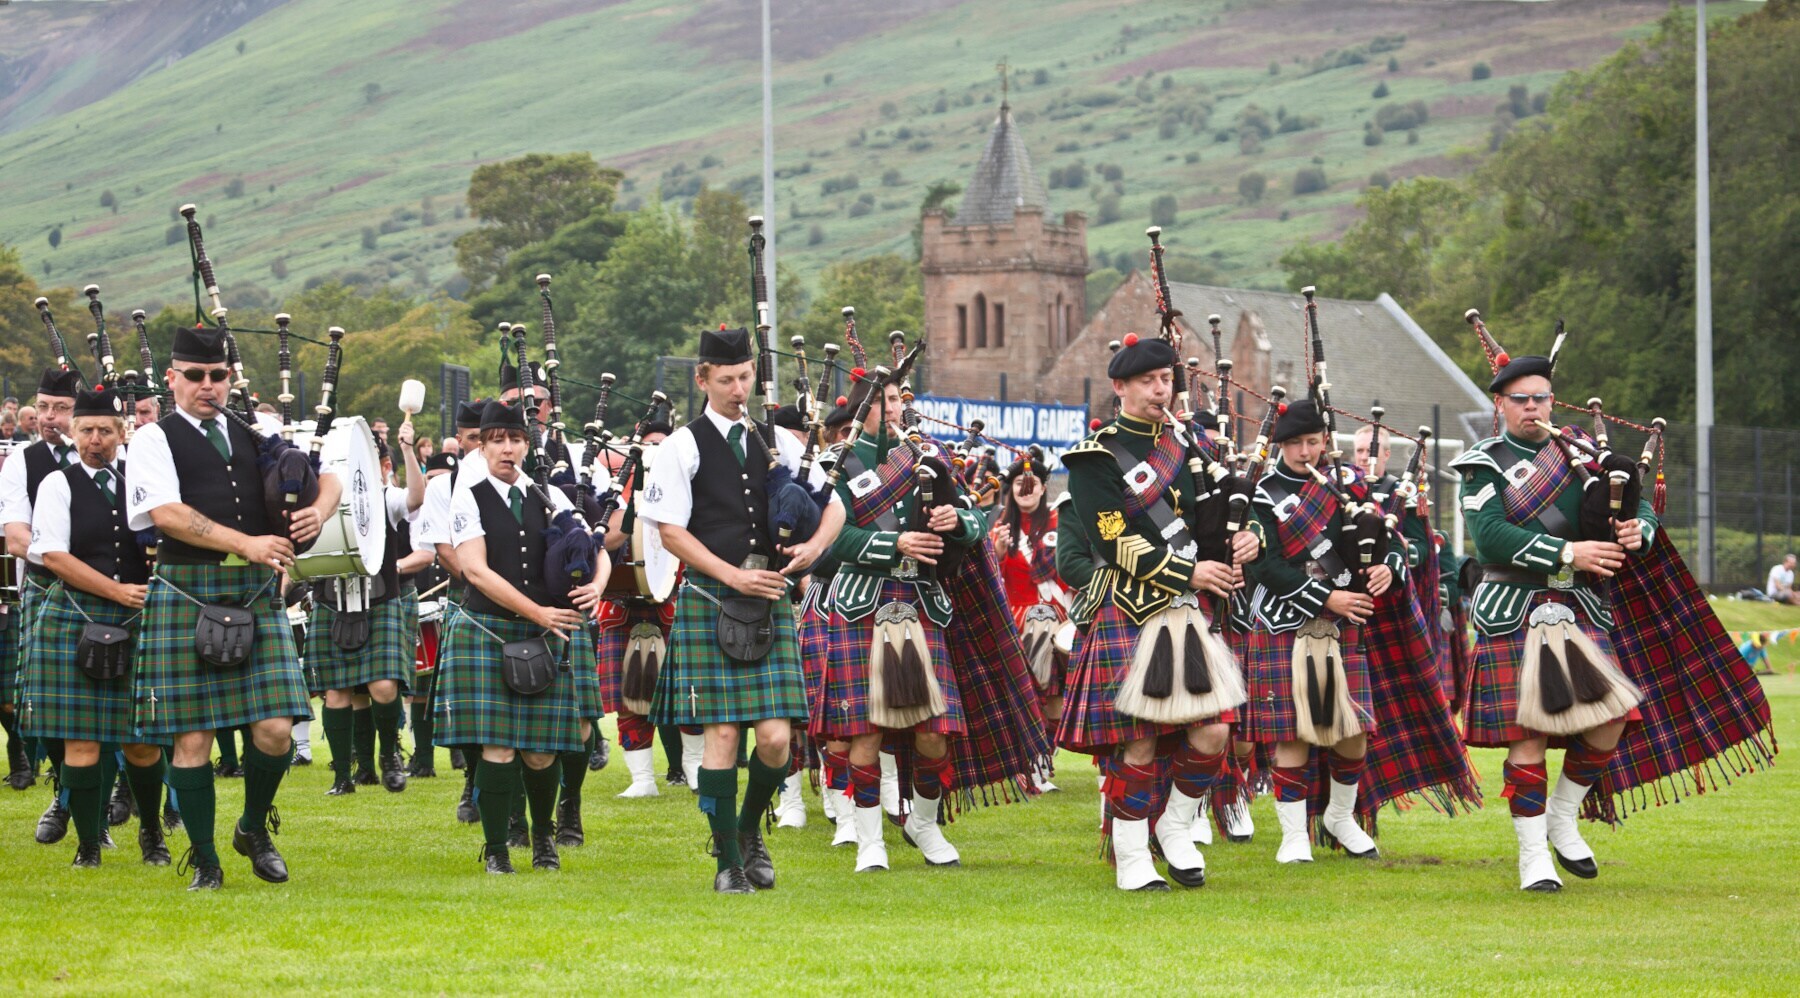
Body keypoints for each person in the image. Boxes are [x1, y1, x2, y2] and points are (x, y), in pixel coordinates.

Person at [126, 324, 340, 890]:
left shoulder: (256, 431)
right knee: (192, 737)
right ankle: (204, 858)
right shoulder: (153, 438)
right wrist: (246, 543)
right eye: (194, 376)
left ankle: (251, 828)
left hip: (252, 593)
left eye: (217, 376)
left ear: (228, 379)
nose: (207, 385)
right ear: (172, 379)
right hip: (185, 592)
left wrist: (320, 509)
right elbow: (167, 514)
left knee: (273, 729)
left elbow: (334, 476)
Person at [637, 325, 843, 894]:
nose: (738, 389)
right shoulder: (682, 445)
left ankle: (749, 831)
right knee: (724, 736)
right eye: (726, 379)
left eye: (746, 377)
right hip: (713, 597)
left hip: (771, 601)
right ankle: (728, 862)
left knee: (776, 739)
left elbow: (836, 506)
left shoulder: (781, 441)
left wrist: (814, 547)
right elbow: (669, 532)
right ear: (703, 379)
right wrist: (733, 575)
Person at [1057, 335, 1256, 891]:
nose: (1159, 390)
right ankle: (1130, 854)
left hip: (1189, 612)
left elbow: (1241, 507)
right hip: (1132, 605)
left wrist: (1249, 541)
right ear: (1119, 388)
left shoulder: (1194, 447)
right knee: (1139, 739)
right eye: (1147, 381)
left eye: (1166, 380)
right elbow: (1114, 542)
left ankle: (1173, 826)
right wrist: (1188, 573)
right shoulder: (1096, 458)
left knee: (1213, 733)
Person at [438, 400, 607, 874]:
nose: (507, 449)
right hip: (488, 630)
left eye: (514, 440)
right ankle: (495, 849)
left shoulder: (550, 494)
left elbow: (591, 545)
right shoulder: (468, 495)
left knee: (540, 751)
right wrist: (538, 612)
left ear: (525, 444)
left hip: (543, 631)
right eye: (497, 441)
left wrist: (596, 583)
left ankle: (543, 839)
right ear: (483, 446)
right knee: (498, 746)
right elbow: (473, 568)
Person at [1241, 398, 1407, 867]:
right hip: (1282, 619)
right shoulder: (1262, 492)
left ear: (1326, 442)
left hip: (1341, 624)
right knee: (1291, 731)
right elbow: (1264, 566)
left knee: (1352, 727)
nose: (1305, 452)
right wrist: (1324, 598)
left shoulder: (1350, 485)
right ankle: (1293, 836)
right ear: (1280, 445)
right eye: (1294, 443)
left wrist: (1387, 570)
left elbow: (1392, 538)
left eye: (1313, 442)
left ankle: (1339, 817)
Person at [16, 385, 170, 868]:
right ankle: (88, 845)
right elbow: (55, 556)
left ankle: (151, 832)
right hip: (76, 617)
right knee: (80, 742)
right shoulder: (57, 485)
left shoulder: (143, 487)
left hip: (140, 619)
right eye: (86, 430)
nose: (94, 439)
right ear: (73, 433)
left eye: (105, 430)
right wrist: (117, 590)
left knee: (141, 743)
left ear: (122, 435)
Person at [311, 426, 427, 797]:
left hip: (380, 601)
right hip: (332, 601)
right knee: (336, 693)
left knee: (382, 685)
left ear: (383, 465)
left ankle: (390, 755)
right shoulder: (319, 499)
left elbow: (414, 498)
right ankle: (342, 775)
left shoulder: (385, 495)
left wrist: (409, 450)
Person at [0, 367, 83, 840]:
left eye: (62, 409)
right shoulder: (21, 462)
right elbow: (16, 539)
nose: (49, 418)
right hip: (47, 588)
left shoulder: (108, 452)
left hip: (105, 593)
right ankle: (64, 796)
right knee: (43, 706)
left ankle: (134, 800)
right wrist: (71, 560)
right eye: (44, 407)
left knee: (113, 702)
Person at [595, 420, 675, 801]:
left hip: (673, 600)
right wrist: (630, 502)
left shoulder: (683, 487)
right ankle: (643, 779)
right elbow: (604, 539)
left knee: (686, 692)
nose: (656, 451)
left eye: (662, 444)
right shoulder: (615, 491)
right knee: (629, 696)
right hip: (623, 604)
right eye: (649, 446)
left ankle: (692, 771)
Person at [989, 450, 1071, 791]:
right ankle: (1027, 766)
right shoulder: (999, 528)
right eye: (1020, 484)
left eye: (1032, 483)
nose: (1026, 489)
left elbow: (1071, 574)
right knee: (1030, 694)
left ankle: (1041, 763)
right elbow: (992, 582)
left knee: (1054, 700)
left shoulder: (1061, 523)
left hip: (1059, 617)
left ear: (1042, 487)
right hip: (1017, 617)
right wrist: (996, 554)